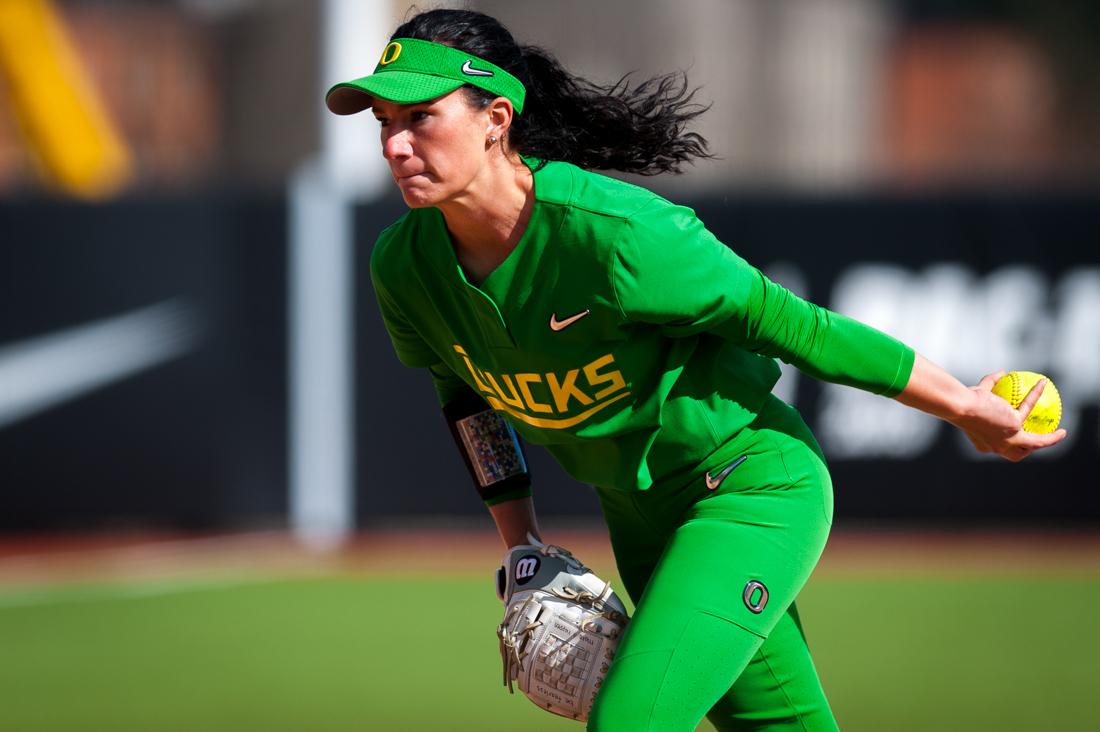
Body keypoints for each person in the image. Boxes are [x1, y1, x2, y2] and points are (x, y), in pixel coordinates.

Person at [325, 8, 1067, 731]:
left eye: (420, 116)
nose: (394, 144)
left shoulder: (616, 236)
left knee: (631, 721)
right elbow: (465, 400)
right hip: (641, 519)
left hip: (749, 489)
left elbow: (790, 321)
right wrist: (521, 544)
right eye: (384, 122)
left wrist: (962, 405)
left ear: (496, 117)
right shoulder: (405, 266)